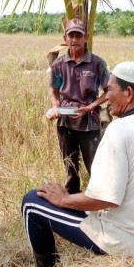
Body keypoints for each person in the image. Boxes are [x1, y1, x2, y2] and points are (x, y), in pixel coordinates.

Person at [22, 61, 134, 267]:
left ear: (129, 93)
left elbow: (105, 198)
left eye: (110, 90)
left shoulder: (120, 129)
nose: (106, 96)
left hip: (129, 242)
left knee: (32, 202)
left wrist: (64, 199)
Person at [47, 18, 109, 194]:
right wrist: (56, 107)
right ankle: (72, 199)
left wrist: (91, 107)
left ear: (86, 38)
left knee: (94, 164)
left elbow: (108, 91)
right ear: (65, 38)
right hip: (66, 121)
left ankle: (98, 197)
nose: (74, 40)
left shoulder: (97, 63)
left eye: (78, 36)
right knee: (70, 166)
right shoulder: (59, 65)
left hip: (90, 121)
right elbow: (54, 90)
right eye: (71, 36)